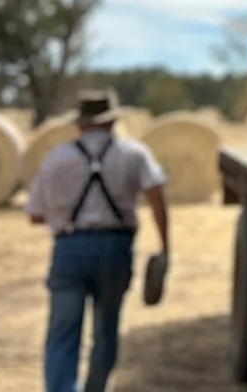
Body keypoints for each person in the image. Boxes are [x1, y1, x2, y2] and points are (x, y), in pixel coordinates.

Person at [26, 89, 170, 392]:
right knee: (106, 328)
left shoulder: (56, 158)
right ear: (112, 122)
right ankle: (96, 387)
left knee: (63, 332)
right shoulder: (134, 153)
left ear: (79, 124)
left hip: (69, 247)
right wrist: (165, 246)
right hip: (116, 246)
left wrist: (65, 215)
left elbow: (35, 214)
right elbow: (156, 195)